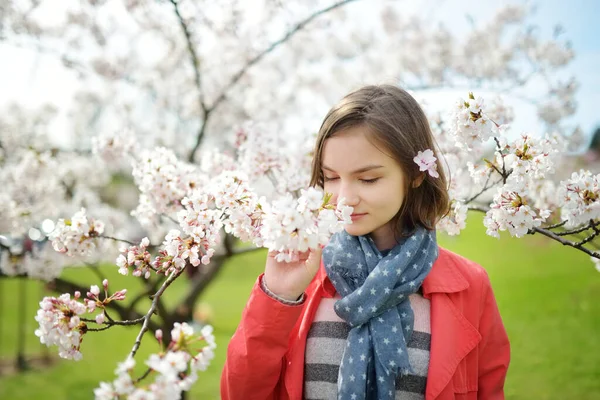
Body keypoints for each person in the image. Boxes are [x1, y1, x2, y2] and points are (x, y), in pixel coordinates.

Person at [221, 85, 510, 400]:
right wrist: (277, 297)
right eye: (330, 177)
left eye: (368, 179)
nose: (344, 198)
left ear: (415, 174)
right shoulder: (306, 277)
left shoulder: (469, 285)